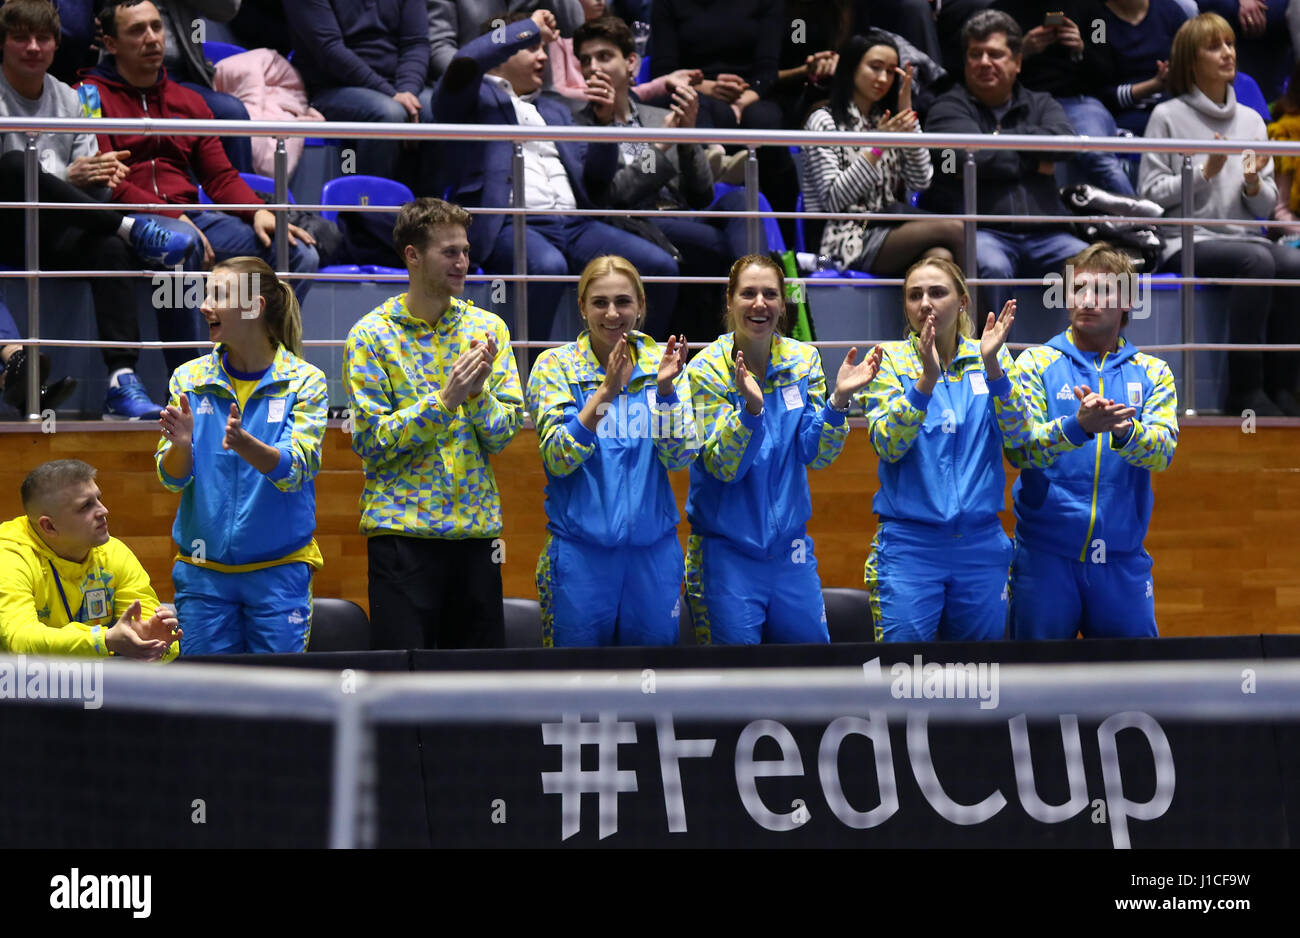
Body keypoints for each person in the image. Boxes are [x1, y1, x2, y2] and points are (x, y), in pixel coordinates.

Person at [77, 0, 319, 378]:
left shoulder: (188, 101)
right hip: (131, 223)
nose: (152, 38)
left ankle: (257, 368)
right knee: (180, 243)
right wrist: (174, 217)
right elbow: (110, 182)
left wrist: (258, 211)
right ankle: (191, 380)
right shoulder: (89, 97)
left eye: (157, 27)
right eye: (137, 31)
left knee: (299, 253)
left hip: (192, 218)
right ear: (110, 42)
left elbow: (220, 177)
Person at [0, 0, 198, 419]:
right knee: (16, 165)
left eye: (43, 38)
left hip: (55, 230)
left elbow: (99, 190)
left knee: (110, 246)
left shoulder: (72, 101)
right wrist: (66, 179)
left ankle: (121, 380)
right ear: (3, 44)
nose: (33, 47)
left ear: (56, 45)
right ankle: (133, 226)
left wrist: (84, 183)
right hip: (7, 231)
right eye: (21, 37)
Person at [433, 10, 679, 342]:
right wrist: (529, 28)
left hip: (574, 223)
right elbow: (466, 59)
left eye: (543, 49)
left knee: (660, 267)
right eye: (531, 48)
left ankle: (635, 368)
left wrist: (604, 125)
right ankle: (532, 382)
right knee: (548, 268)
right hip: (511, 221)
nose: (542, 57)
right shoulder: (471, 99)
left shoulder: (554, 108)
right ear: (500, 54)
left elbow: (595, 179)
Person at [344, 197, 524, 649]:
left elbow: (503, 434)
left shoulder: (490, 331)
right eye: (449, 252)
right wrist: (444, 401)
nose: (462, 262)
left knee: (473, 690)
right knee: (403, 694)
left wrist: (477, 395)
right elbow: (370, 440)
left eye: (465, 251)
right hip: (401, 538)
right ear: (412, 255)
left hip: (475, 535)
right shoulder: (371, 335)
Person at [685, 254, 882, 645]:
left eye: (770, 294)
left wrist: (839, 402)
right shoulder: (705, 370)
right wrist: (752, 412)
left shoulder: (801, 359)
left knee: (811, 680)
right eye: (748, 293)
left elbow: (817, 453)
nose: (760, 303)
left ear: (782, 303)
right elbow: (724, 467)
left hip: (790, 553)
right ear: (729, 301)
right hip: (726, 556)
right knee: (736, 689)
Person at [1005, 243, 1177, 639]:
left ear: (1128, 302)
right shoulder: (1036, 362)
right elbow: (1021, 448)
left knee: (1131, 695)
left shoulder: (1153, 373)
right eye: (1079, 289)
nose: (1087, 300)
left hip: (1121, 561)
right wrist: (1077, 427)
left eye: (1102, 291)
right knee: (1035, 690)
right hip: (1045, 559)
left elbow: (1163, 452)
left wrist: (1123, 431)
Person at [156, 257, 327, 654]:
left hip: (278, 574)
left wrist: (245, 443)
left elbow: (296, 469)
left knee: (280, 705)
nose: (204, 305)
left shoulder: (305, 381)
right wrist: (181, 448)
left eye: (219, 295)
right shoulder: (189, 378)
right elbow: (171, 478)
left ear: (254, 307)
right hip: (203, 576)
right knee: (209, 704)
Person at [527, 255, 696, 646]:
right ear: (582, 307)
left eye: (623, 301)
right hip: (580, 558)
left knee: (652, 690)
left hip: (653, 556)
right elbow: (558, 457)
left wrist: (667, 394)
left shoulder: (664, 365)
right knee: (576, 692)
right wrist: (606, 393)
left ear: (640, 305)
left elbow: (680, 456)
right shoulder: (555, 367)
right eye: (600, 302)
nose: (612, 313)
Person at [1138, 12, 1300, 416]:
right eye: (1214, 46)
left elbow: (1262, 209)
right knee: (1258, 259)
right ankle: (1243, 391)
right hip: (1187, 240)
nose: (1228, 53)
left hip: (1243, 238)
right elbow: (1151, 199)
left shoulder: (1250, 120)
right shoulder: (1167, 117)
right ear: (1191, 61)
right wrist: (1203, 173)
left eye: (1230, 44)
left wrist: (1251, 183)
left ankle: (1282, 387)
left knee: (1294, 261)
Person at [859, 257, 1027, 642]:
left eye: (937, 292)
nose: (925, 303)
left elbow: (1020, 437)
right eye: (914, 295)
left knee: (980, 683)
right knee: (904, 682)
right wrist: (925, 383)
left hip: (980, 545)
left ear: (963, 301)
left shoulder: (993, 355)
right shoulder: (887, 362)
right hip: (910, 547)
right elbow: (888, 444)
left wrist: (994, 368)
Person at [920, 9, 1088, 315]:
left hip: (1048, 232)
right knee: (992, 267)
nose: (984, 62)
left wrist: (994, 140)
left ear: (1017, 62)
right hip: (985, 232)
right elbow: (961, 158)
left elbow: (1065, 143)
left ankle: (1095, 358)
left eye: (995, 54)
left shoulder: (1041, 103)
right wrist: (1033, 160)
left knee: (1098, 268)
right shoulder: (946, 108)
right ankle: (991, 359)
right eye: (975, 54)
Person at [802, 30, 963, 277]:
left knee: (941, 259)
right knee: (956, 228)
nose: (883, 78)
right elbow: (833, 201)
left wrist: (907, 115)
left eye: (890, 71)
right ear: (851, 67)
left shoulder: (884, 119)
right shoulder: (824, 121)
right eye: (875, 67)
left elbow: (921, 181)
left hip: (886, 227)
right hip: (836, 241)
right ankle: (981, 316)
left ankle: (953, 316)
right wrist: (878, 147)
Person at [0, 458, 181, 659]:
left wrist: (154, 643)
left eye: (98, 499)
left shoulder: (113, 553)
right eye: (86, 506)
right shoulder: (9, 558)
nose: (104, 510)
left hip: (97, 682)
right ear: (49, 526)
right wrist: (104, 640)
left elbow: (157, 637)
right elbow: (20, 640)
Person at [992, 0, 1141, 196]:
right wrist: (1022, 52)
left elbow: (1108, 69)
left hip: (1077, 101)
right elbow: (987, 72)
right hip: (1022, 102)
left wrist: (1081, 49)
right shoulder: (1001, 10)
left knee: (1097, 156)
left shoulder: (1093, 9)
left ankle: (1141, 220)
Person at [285, 0, 435, 191]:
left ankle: (434, 215)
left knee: (436, 110)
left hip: (398, 87)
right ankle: (371, 213)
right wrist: (392, 94)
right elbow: (329, 49)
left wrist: (408, 92)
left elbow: (416, 43)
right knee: (388, 113)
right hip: (331, 88)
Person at [426, 0, 587, 81]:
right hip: (472, 82)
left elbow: (573, 26)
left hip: (536, 86)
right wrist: (486, 82)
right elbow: (440, 47)